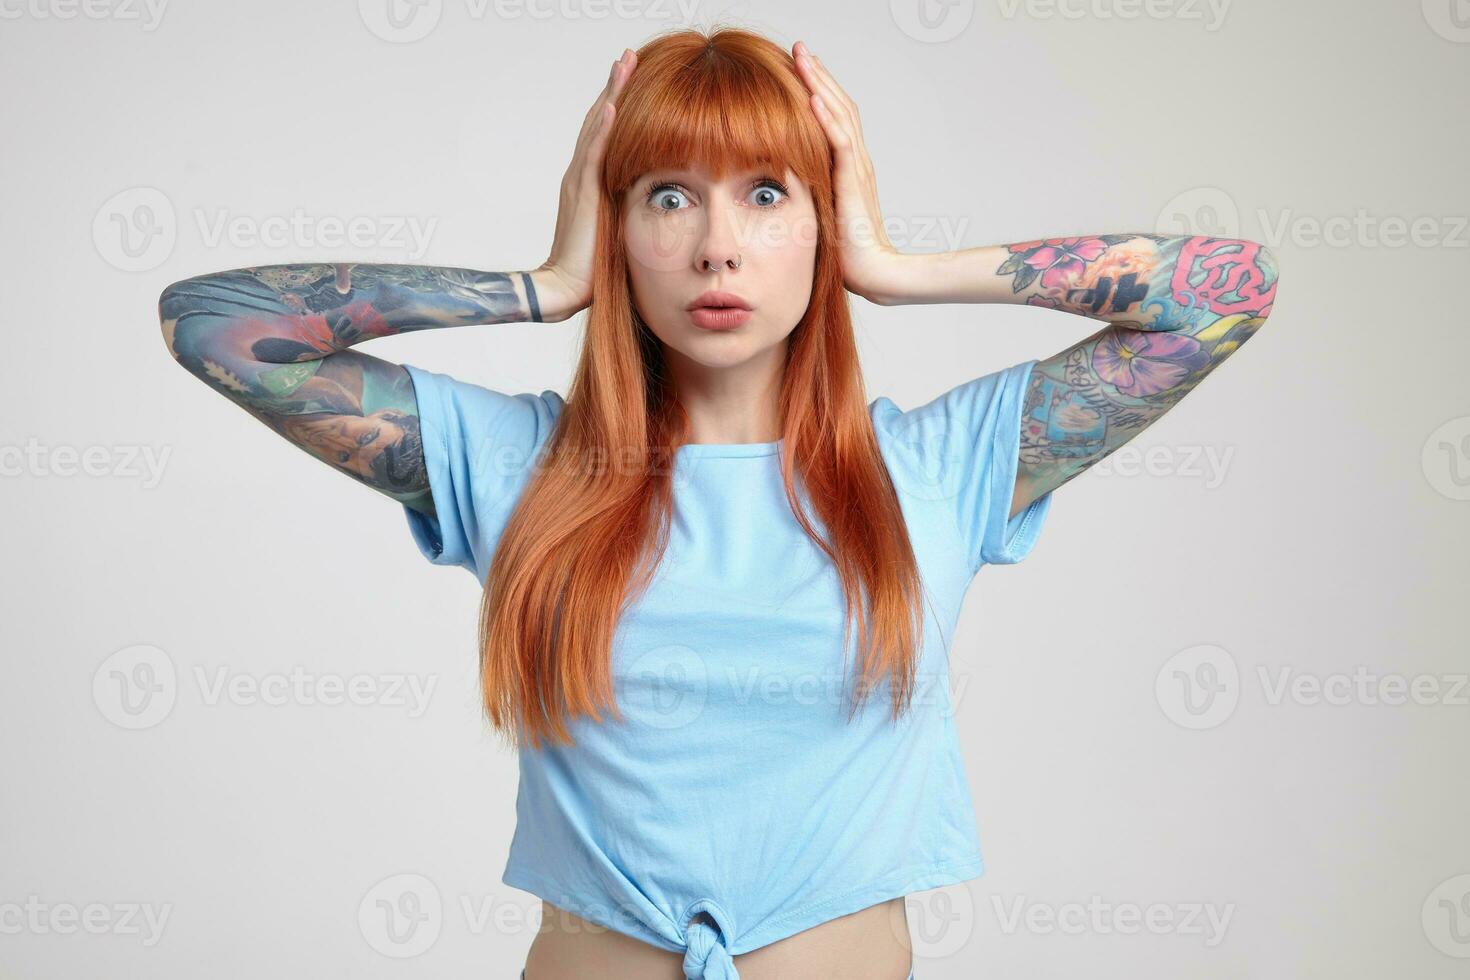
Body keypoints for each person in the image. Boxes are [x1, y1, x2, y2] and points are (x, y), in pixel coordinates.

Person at [156, 25, 1279, 980]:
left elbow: (1226, 294)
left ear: (820, 219)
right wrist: (542, 286)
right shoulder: (514, 463)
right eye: (668, 196)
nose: (716, 246)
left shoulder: (941, 466)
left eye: (768, 193)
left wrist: (892, 265)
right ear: (619, 231)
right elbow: (212, 324)